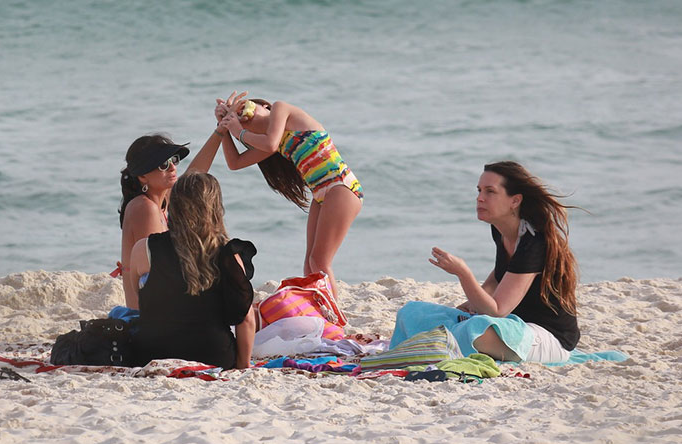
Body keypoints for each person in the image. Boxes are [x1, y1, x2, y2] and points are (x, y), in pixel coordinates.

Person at [393, 161, 579, 363]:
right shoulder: (500, 230)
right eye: (479, 190)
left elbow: (497, 310)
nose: (480, 198)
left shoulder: (534, 243)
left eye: (490, 192)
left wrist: (463, 273)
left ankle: (434, 347)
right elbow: (499, 277)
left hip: (545, 337)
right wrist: (468, 305)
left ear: (515, 201)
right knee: (411, 313)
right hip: (509, 325)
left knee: (472, 330)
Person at [217, 93, 363, 299]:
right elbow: (235, 162)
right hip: (322, 194)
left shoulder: (281, 109)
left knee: (321, 261)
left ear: (265, 107)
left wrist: (238, 131)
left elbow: (269, 143)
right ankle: (321, 314)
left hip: (341, 186)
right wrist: (223, 126)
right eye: (239, 117)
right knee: (310, 264)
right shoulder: (277, 143)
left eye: (245, 109)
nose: (243, 116)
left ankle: (336, 321)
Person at [118, 93, 245, 308]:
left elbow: (195, 173)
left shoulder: (160, 200)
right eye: (163, 165)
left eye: (173, 160)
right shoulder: (144, 208)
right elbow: (160, 269)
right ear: (142, 177)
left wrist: (221, 130)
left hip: (159, 310)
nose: (173, 167)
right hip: (147, 318)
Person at [128, 172, 257, 369]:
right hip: (213, 355)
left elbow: (139, 298)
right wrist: (243, 364)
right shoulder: (227, 254)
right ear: (215, 208)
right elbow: (246, 319)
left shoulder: (143, 249)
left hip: (152, 355)